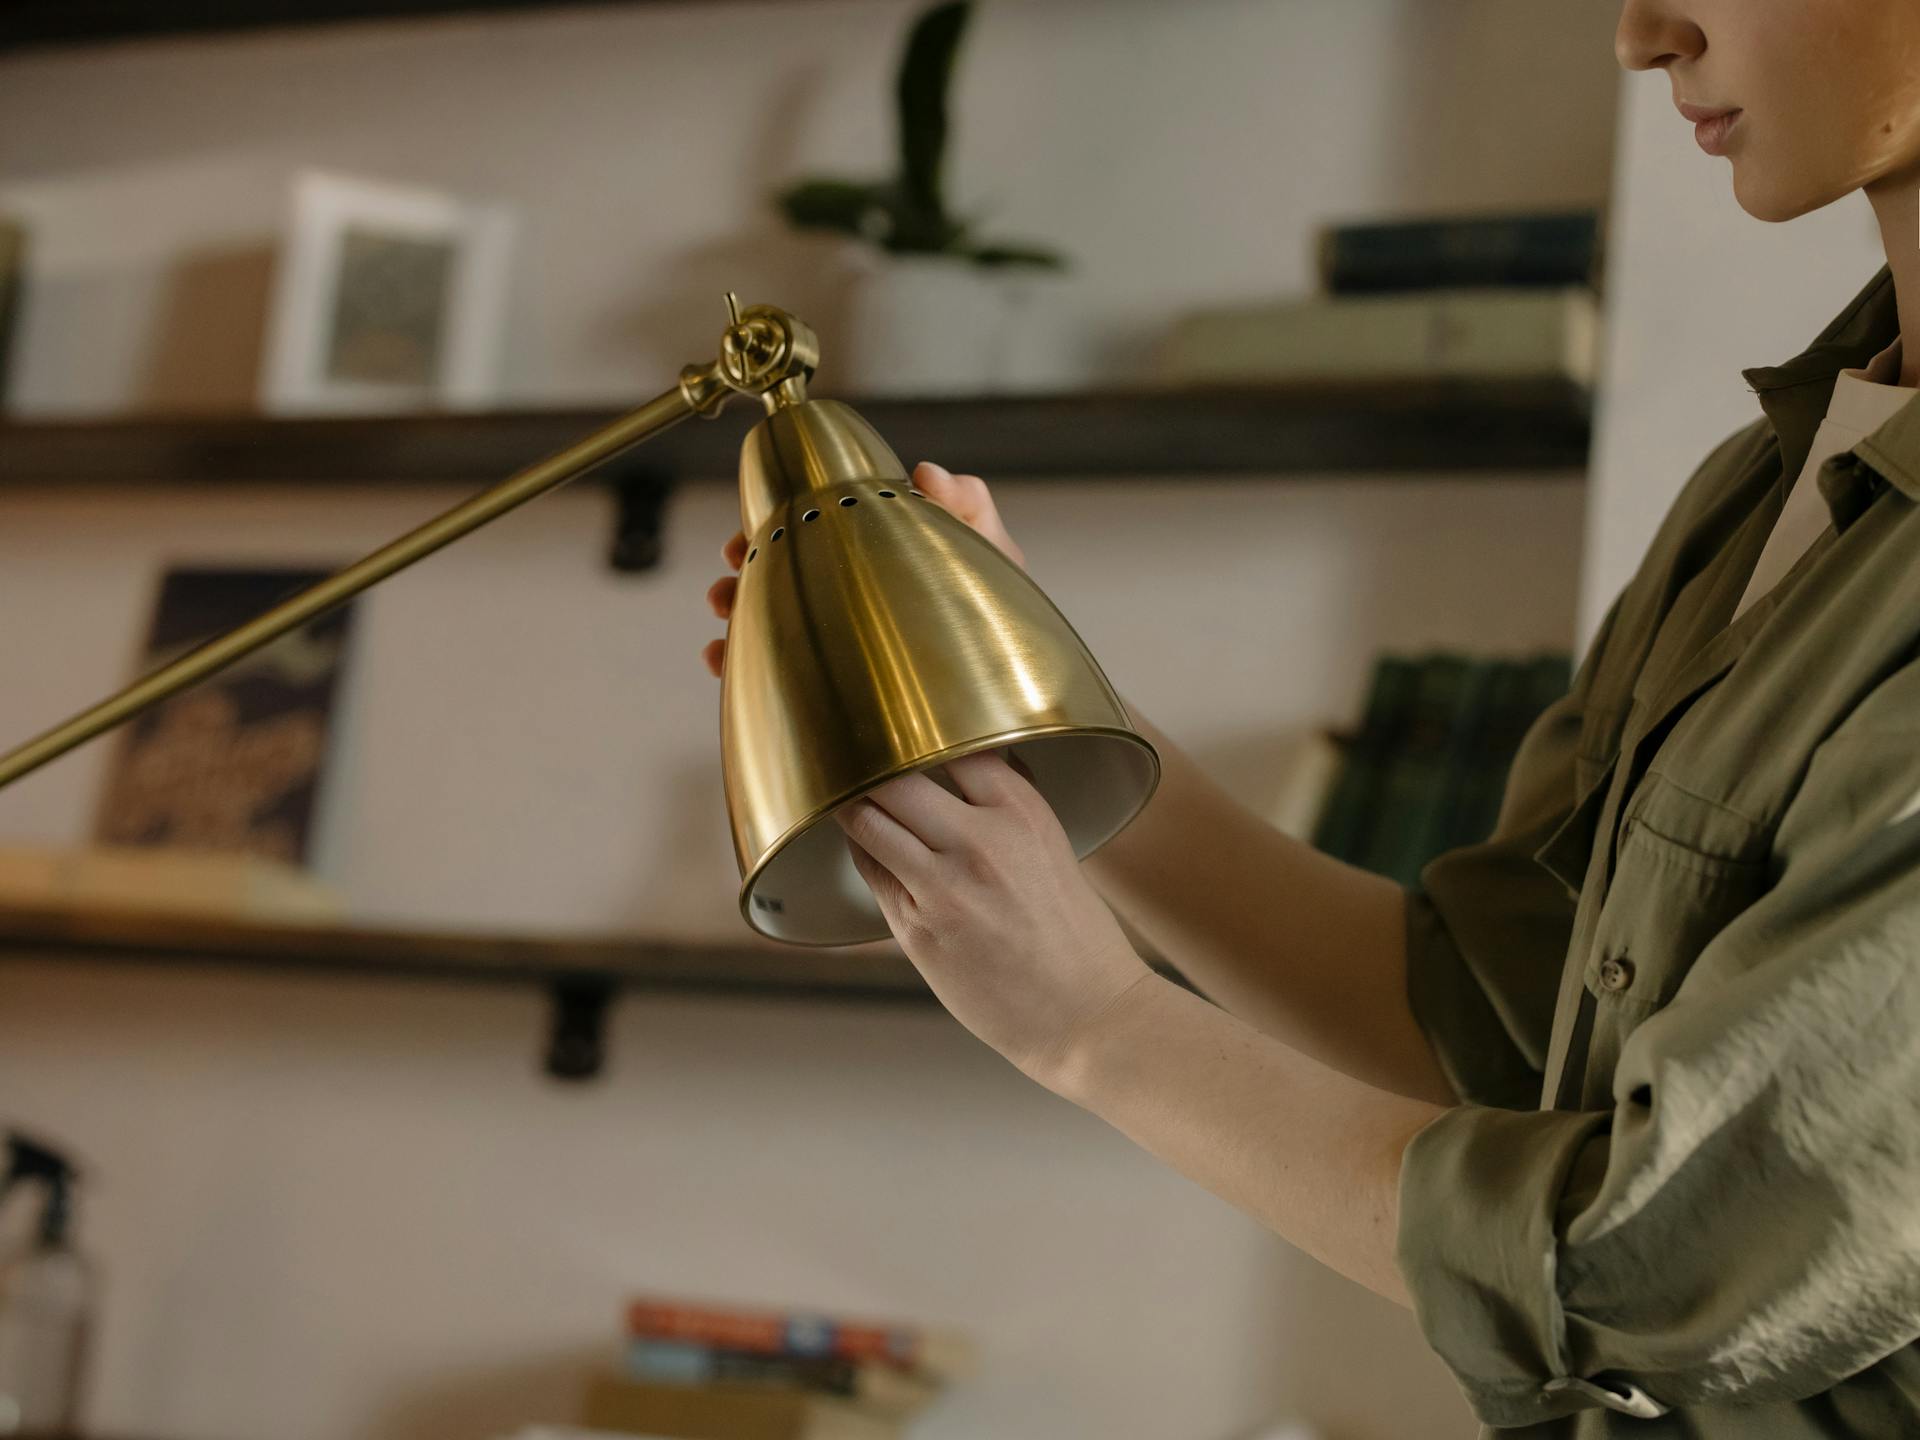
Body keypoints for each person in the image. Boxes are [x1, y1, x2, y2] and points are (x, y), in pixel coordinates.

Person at [701, 2, 1920, 1433]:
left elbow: (1667, 1267)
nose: (1641, 35)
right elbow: (1487, 1031)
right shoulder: (1761, 488)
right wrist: (1044, 726)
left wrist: (1095, 1026)